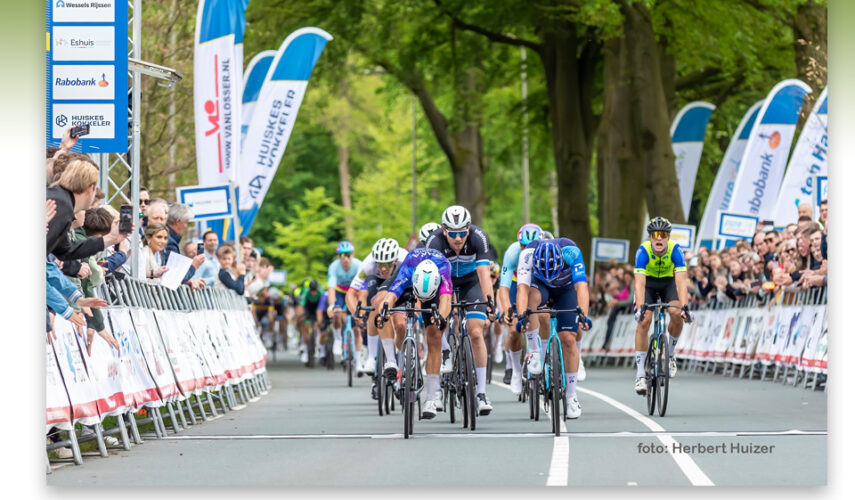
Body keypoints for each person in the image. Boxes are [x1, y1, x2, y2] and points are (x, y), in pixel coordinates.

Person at [425, 205, 495, 415]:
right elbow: (433, 277)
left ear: (469, 228)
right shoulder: (434, 241)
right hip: (443, 281)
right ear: (444, 230)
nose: (458, 238)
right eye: (453, 233)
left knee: (475, 332)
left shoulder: (478, 237)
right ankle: (444, 353)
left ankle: (481, 393)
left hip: (470, 282)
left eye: (462, 232)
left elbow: (484, 273)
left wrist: (490, 302)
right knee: (436, 330)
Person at [514, 237, 591, 419]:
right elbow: (522, 290)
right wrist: (521, 315)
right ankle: (534, 351)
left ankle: (571, 396)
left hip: (566, 289)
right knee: (531, 300)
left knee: (569, 340)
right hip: (540, 287)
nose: (552, 276)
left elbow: (581, 287)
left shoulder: (571, 251)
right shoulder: (527, 255)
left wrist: (583, 315)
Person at [374, 247, 453, 419]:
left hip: (434, 289)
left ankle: (432, 397)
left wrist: (441, 317)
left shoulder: (444, 269)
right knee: (391, 314)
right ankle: (396, 359)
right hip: (410, 283)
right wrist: (383, 313)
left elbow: (446, 300)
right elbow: (391, 297)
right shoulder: (408, 268)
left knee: (435, 335)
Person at [631, 217, 694, 396]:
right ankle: (640, 374)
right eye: (655, 235)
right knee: (645, 320)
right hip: (648, 284)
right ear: (650, 237)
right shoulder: (642, 251)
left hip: (668, 283)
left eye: (663, 235)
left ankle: (671, 355)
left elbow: (681, 283)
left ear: (668, 237)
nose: (659, 238)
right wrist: (641, 307)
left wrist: (685, 307)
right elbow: (639, 283)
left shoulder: (676, 250)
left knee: (676, 313)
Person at [345, 238, 408, 382]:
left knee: (400, 321)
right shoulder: (368, 264)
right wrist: (356, 313)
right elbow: (351, 292)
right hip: (377, 282)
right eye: (380, 264)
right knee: (375, 305)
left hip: (400, 281)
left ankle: (403, 352)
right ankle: (373, 357)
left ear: (395, 260)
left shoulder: (404, 259)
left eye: (386, 264)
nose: (383, 268)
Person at [498, 223, 543, 392]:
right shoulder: (512, 253)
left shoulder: (547, 249)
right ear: (519, 243)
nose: (527, 249)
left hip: (536, 284)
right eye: (524, 246)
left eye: (531, 246)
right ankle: (516, 371)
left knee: (543, 317)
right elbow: (504, 287)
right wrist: (507, 309)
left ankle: (545, 359)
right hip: (517, 284)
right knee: (514, 330)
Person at [326, 241, 362, 359]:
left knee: (356, 324)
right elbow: (331, 288)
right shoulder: (334, 267)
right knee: (336, 313)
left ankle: (358, 359)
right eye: (342, 255)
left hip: (354, 292)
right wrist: (331, 305)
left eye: (348, 255)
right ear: (338, 256)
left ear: (353, 255)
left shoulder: (359, 265)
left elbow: (363, 288)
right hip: (340, 292)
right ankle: (338, 339)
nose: (345, 259)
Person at [165, 203, 206, 287]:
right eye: (186, 222)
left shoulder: (171, 240)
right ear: (178, 221)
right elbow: (173, 277)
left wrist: (188, 281)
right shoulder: (169, 242)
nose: (186, 226)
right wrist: (194, 265)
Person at [297, 279, 324, 364]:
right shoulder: (306, 293)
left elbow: (322, 307)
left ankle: (318, 346)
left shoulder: (320, 293)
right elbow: (301, 306)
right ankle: (305, 351)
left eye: (314, 290)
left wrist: (320, 320)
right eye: (312, 290)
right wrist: (301, 315)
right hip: (308, 309)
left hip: (317, 309)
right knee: (305, 326)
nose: (313, 293)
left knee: (318, 325)